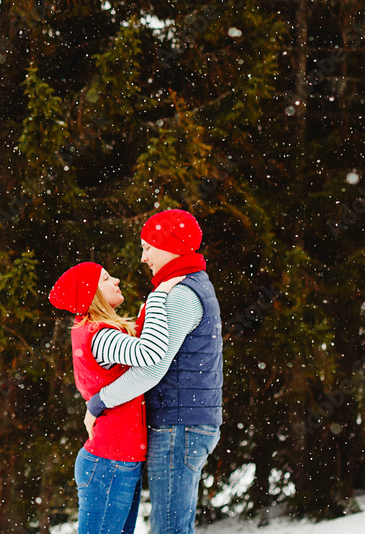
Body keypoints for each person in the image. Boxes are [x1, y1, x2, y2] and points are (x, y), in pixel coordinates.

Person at [84, 209, 222, 534]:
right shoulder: (186, 286)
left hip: (179, 427)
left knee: (169, 529)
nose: (143, 257)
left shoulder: (182, 294)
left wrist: (99, 402)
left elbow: (151, 368)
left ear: (171, 245)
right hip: (183, 424)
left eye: (148, 247)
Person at [50, 261, 186, 534]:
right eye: (106, 279)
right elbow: (150, 353)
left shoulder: (98, 331)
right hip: (109, 463)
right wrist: (159, 297)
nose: (117, 281)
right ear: (92, 295)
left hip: (118, 460)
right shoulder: (100, 336)